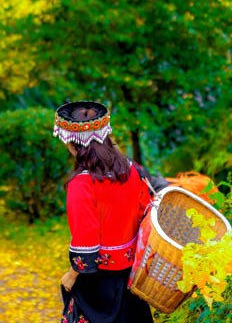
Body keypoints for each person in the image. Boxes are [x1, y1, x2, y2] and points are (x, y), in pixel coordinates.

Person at [53, 101, 154, 323]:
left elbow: (87, 241)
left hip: (99, 285)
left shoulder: (81, 184)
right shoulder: (131, 170)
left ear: (72, 144)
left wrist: (71, 275)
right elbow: (146, 213)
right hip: (132, 279)